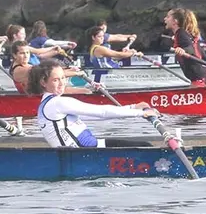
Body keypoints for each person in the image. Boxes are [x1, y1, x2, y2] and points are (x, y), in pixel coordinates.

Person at [28, 60, 156, 148]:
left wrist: (132, 107)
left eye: (63, 78)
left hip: (91, 147)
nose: (62, 83)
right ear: (43, 83)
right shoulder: (57, 103)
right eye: (56, 80)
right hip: (80, 154)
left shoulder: (50, 105)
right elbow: (102, 112)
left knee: (144, 145)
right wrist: (141, 113)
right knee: (146, 146)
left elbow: (96, 115)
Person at [165, 9, 206, 86]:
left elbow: (190, 47)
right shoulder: (182, 33)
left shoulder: (181, 34)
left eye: (168, 17)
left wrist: (183, 50)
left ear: (175, 21)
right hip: (202, 74)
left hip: (199, 76)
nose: (165, 19)